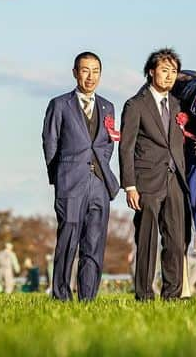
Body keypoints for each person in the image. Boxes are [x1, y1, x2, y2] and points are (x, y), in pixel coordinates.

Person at [42, 51, 120, 301]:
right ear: (75, 73)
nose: (90, 76)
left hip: (99, 183)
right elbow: (50, 142)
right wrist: (61, 176)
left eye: (95, 71)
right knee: (68, 240)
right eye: (85, 70)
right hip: (70, 182)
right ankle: (61, 296)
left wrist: (100, 168)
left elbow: (108, 143)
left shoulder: (108, 106)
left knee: (94, 243)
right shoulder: (59, 104)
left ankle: (88, 298)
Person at [120, 48, 188, 301]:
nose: (169, 76)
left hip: (175, 182)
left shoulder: (179, 106)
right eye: (164, 70)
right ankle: (144, 294)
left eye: (173, 72)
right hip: (146, 183)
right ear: (151, 72)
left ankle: (172, 295)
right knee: (146, 240)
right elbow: (125, 147)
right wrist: (129, 186)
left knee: (176, 241)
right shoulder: (135, 105)